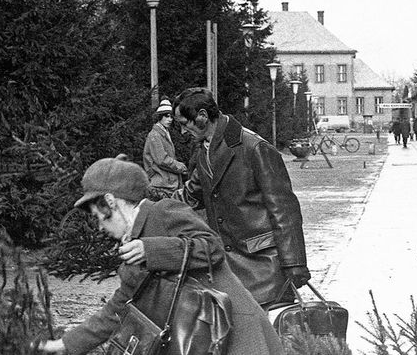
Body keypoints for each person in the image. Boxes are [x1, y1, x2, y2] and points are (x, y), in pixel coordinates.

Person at [36, 156, 284, 354]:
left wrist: (151, 249)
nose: (100, 227)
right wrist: (65, 344)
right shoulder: (132, 245)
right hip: (202, 339)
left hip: (235, 334)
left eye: (99, 217)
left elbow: (212, 247)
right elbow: (117, 310)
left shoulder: (163, 212)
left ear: (111, 202)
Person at [172, 87, 309, 307]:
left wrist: (294, 264)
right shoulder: (203, 151)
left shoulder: (254, 147)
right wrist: (146, 206)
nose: (181, 132)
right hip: (228, 269)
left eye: (183, 123)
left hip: (265, 268)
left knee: (273, 338)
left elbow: (284, 209)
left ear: (202, 117)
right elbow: (190, 195)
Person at [143, 97, 188, 200]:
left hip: (168, 185)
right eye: (166, 116)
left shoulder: (164, 132)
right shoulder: (155, 135)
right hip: (161, 186)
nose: (170, 120)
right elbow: (162, 160)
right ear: (159, 117)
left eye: (171, 117)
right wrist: (181, 167)